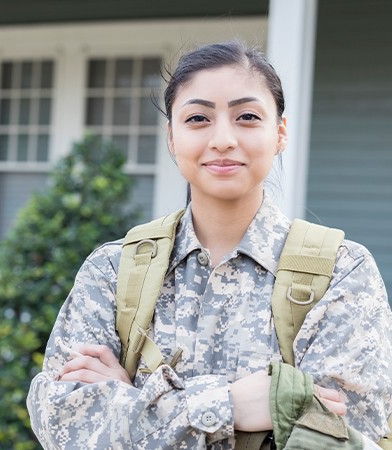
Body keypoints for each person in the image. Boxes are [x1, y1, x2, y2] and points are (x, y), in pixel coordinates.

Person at [27, 40, 392, 449]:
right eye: (198, 118)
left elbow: (344, 438)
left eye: (248, 117)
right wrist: (233, 406)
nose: (222, 139)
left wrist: (135, 402)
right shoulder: (113, 271)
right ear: (171, 136)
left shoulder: (341, 272)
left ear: (280, 133)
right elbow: (64, 425)